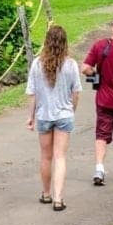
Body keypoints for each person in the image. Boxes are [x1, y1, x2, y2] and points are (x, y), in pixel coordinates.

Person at [25, 25, 82, 211]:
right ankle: (59, 198)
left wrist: (30, 116)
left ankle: (46, 193)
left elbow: (32, 94)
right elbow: (76, 93)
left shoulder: (37, 64)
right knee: (60, 156)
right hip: (64, 114)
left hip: (44, 114)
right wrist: (71, 109)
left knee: (46, 156)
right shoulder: (71, 65)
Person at [81, 13, 113, 186]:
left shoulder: (101, 45)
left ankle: (99, 168)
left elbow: (85, 68)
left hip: (104, 98)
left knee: (101, 134)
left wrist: (96, 75)